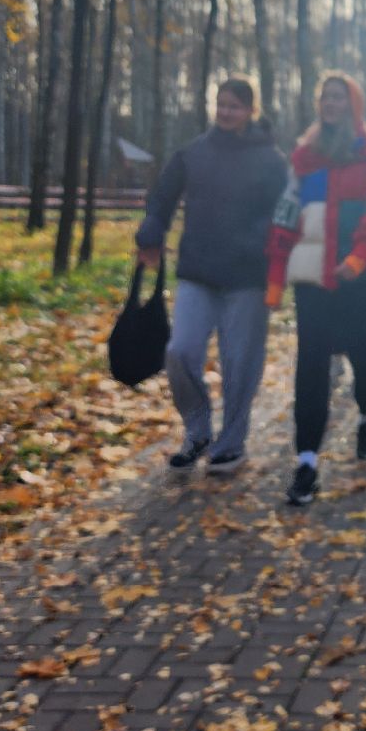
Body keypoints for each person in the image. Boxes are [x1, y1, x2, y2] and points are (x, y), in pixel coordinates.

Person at [136, 78, 288, 474]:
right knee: (180, 351)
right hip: (199, 272)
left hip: (248, 277)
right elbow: (162, 197)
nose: (225, 112)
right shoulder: (194, 153)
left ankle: (231, 442)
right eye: (221, 104)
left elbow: (288, 215)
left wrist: (279, 269)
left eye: (234, 106)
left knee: (240, 363)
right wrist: (151, 231)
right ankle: (198, 430)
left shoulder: (272, 161)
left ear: (251, 111)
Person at [266, 73, 366, 506]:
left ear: (354, 104)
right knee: (311, 365)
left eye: (339, 96)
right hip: (313, 282)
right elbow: (287, 213)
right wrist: (274, 277)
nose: (331, 102)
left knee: (365, 354)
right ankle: (306, 461)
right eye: (325, 96)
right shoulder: (304, 158)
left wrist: (359, 259)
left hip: (360, 279)